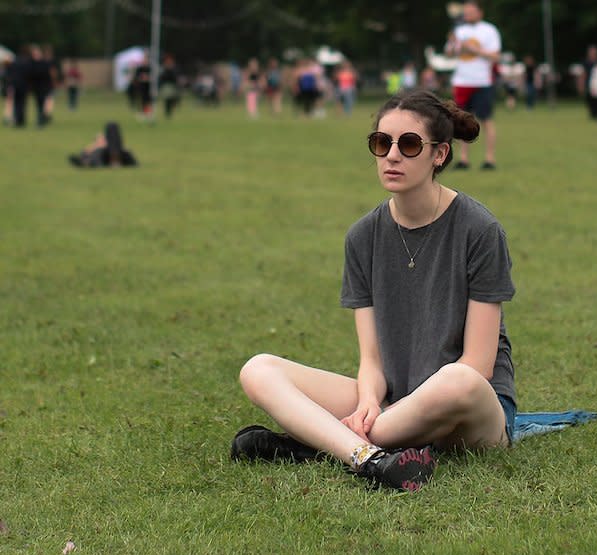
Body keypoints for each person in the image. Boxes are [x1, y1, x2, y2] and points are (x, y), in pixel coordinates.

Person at [233, 90, 517, 492]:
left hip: (471, 412)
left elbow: (479, 364)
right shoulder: (362, 236)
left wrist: (384, 413)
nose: (392, 156)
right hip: (394, 402)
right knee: (259, 370)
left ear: (439, 154)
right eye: (382, 143)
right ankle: (370, 458)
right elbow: (372, 357)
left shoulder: (480, 230)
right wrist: (367, 400)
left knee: (459, 379)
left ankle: (323, 444)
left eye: (410, 144)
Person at [444, 0, 501, 170]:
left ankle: (489, 159)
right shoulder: (459, 31)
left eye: (470, 11)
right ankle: (463, 159)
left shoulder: (489, 30)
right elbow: (448, 53)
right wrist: (454, 44)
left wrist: (473, 49)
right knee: (460, 121)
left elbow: (495, 56)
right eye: (465, 12)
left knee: (486, 120)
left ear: (480, 12)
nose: (467, 14)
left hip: (482, 82)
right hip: (461, 82)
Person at [68, 122, 138, 168]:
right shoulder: (108, 141)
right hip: (108, 155)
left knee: (97, 151)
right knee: (97, 151)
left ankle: (86, 162)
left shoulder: (106, 143)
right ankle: (86, 161)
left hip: (108, 154)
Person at [158, 53, 181, 118]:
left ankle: (170, 111)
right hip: (167, 86)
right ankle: (167, 112)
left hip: (173, 85)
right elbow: (162, 78)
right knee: (167, 100)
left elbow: (176, 77)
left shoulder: (174, 68)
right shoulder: (164, 69)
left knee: (173, 99)